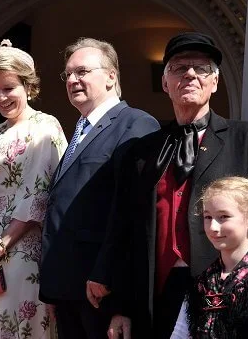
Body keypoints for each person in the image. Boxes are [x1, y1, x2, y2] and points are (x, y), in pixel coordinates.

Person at [98, 32, 248, 339]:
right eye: (178, 67)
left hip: (226, 292)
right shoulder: (140, 152)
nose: (190, 74)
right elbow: (123, 230)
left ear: (214, 82)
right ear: (165, 83)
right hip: (155, 292)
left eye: (201, 68)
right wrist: (119, 305)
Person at [38, 37, 159, 339]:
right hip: (70, 289)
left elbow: (134, 213)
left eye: (82, 71)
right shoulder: (79, 128)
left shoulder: (135, 124)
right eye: (68, 74)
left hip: (102, 289)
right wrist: (55, 287)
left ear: (111, 77)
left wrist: (117, 294)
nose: (73, 80)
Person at [0, 40, 67, 339]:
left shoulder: (45, 126)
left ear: (28, 86)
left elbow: (39, 196)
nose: (1, 97)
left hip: (22, 249)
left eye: (9, 88)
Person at [170, 177, 248, 339]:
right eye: (208, 217)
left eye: (223, 217)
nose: (213, 227)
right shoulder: (202, 281)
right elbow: (180, 334)